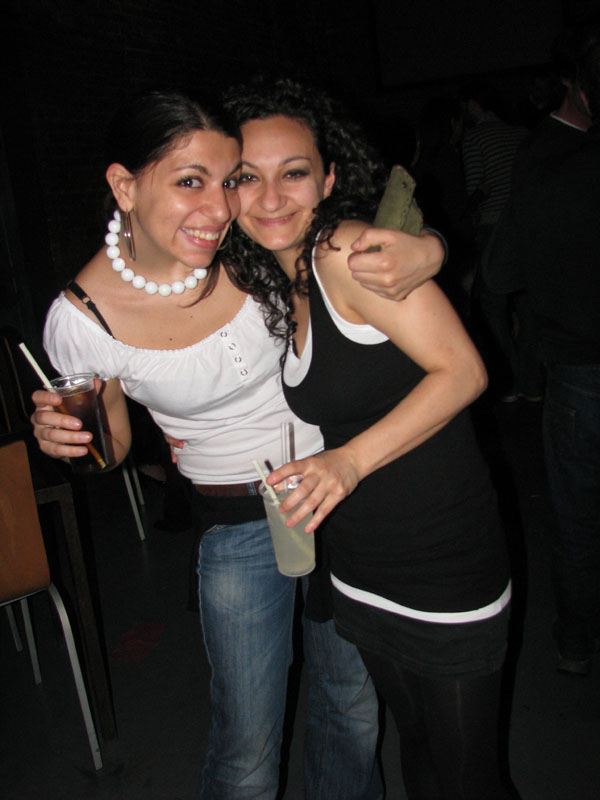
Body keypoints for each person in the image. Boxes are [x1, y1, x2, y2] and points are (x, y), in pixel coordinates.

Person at [29, 89, 444, 799]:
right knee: (248, 748)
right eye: (189, 181)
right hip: (238, 522)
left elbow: (363, 244)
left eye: (228, 182)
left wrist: (431, 246)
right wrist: (67, 439)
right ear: (124, 186)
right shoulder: (82, 321)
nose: (219, 209)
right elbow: (115, 445)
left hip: (342, 491)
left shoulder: (250, 245)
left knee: (351, 709)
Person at [222, 76, 516, 800]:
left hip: (443, 559)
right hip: (360, 565)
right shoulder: (282, 281)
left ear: (328, 179)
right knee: (415, 745)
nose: (270, 198)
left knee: (471, 779)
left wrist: (348, 463)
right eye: (247, 178)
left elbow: (465, 371)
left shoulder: (344, 252)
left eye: (293, 173)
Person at [490, 40, 600, 677]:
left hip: (580, 370)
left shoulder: (544, 161)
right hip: (576, 365)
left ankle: (578, 640)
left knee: (579, 520)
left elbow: (502, 271)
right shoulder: (552, 155)